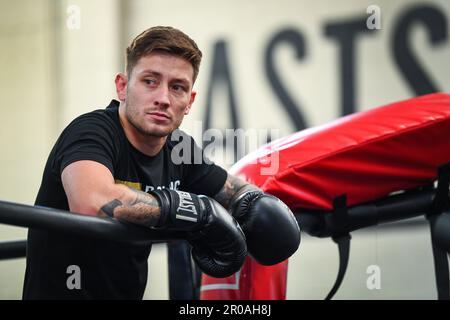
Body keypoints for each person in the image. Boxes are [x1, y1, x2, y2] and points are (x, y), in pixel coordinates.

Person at [22, 26, 300, 300]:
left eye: (177, 87)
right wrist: (189, 211)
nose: (163, 99)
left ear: (190, 101)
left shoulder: (178, 148)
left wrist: (254, 201)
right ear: (122, 86)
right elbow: (91, 203)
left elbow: (230, 187)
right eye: (150, 81)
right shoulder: (92, 132)